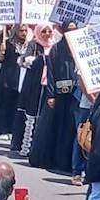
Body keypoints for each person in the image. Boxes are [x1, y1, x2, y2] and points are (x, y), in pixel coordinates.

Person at [29, 20, 78, 174]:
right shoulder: (57, 49)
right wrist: (51, 95)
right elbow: (51, 73)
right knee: (53, 127)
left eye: (74, 29)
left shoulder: (79, 47)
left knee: (69, 129)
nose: (71, 32)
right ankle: (48, 159)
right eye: (68, 29)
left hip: (74, 95)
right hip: (59, 94)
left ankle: (65, 162)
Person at [10, 24, 57, 156]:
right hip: (33, 84)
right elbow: (24, 60)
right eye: (43, 31)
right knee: (30, 113)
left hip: (48, 85)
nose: (47, 34)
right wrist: (38, 60)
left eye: (49, 31)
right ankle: (25, 146)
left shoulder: (54, 45)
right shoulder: (34, 44)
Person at [0, 24, 27, 138]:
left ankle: (12, 129)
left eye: (25, 30)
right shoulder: (8, 43)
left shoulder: (29, 45)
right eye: (21, 30)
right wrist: (1, 51)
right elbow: (0, 60)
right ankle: (2, 129)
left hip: (21, 78)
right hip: (8, 77)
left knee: (16, 105)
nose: (23, 33)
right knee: (5, 104)